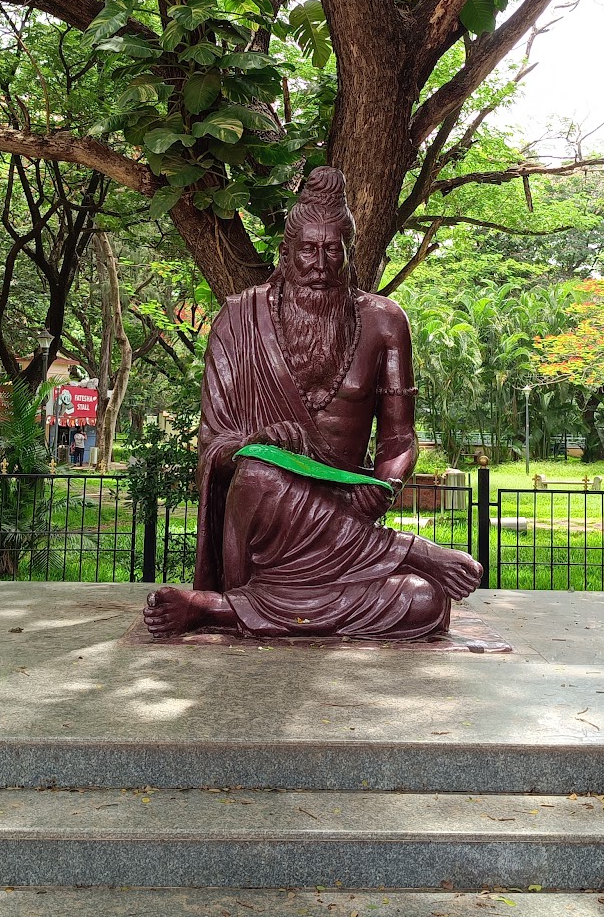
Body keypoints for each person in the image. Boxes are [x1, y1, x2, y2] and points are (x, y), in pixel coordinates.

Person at [143, 168, 481, 640]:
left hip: (349, 520)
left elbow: (399, 439)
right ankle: (407, 550)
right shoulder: (239, 322)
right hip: (266, 526)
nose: (320, 264)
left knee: (426, 603)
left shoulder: (384, 322)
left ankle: (221, 611)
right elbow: (212, 449)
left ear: (348, 253)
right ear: (286, 254)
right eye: (307, 250)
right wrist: (256, 442)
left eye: (332, 250)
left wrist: (382, 487)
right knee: (261, 473)